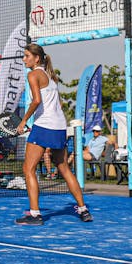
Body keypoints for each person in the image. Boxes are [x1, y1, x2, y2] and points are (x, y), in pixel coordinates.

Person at [13, 43, 92, 224]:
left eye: (26, 56)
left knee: (28, 169)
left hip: (44, 126)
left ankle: (35, 214)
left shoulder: (32, 74)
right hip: (58, 126)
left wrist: (24, 121)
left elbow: (36, 101)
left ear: (36, 58)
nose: (24, 59)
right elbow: (53, 106)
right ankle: (83, 210)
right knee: (64, 168)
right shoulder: (50, 76)